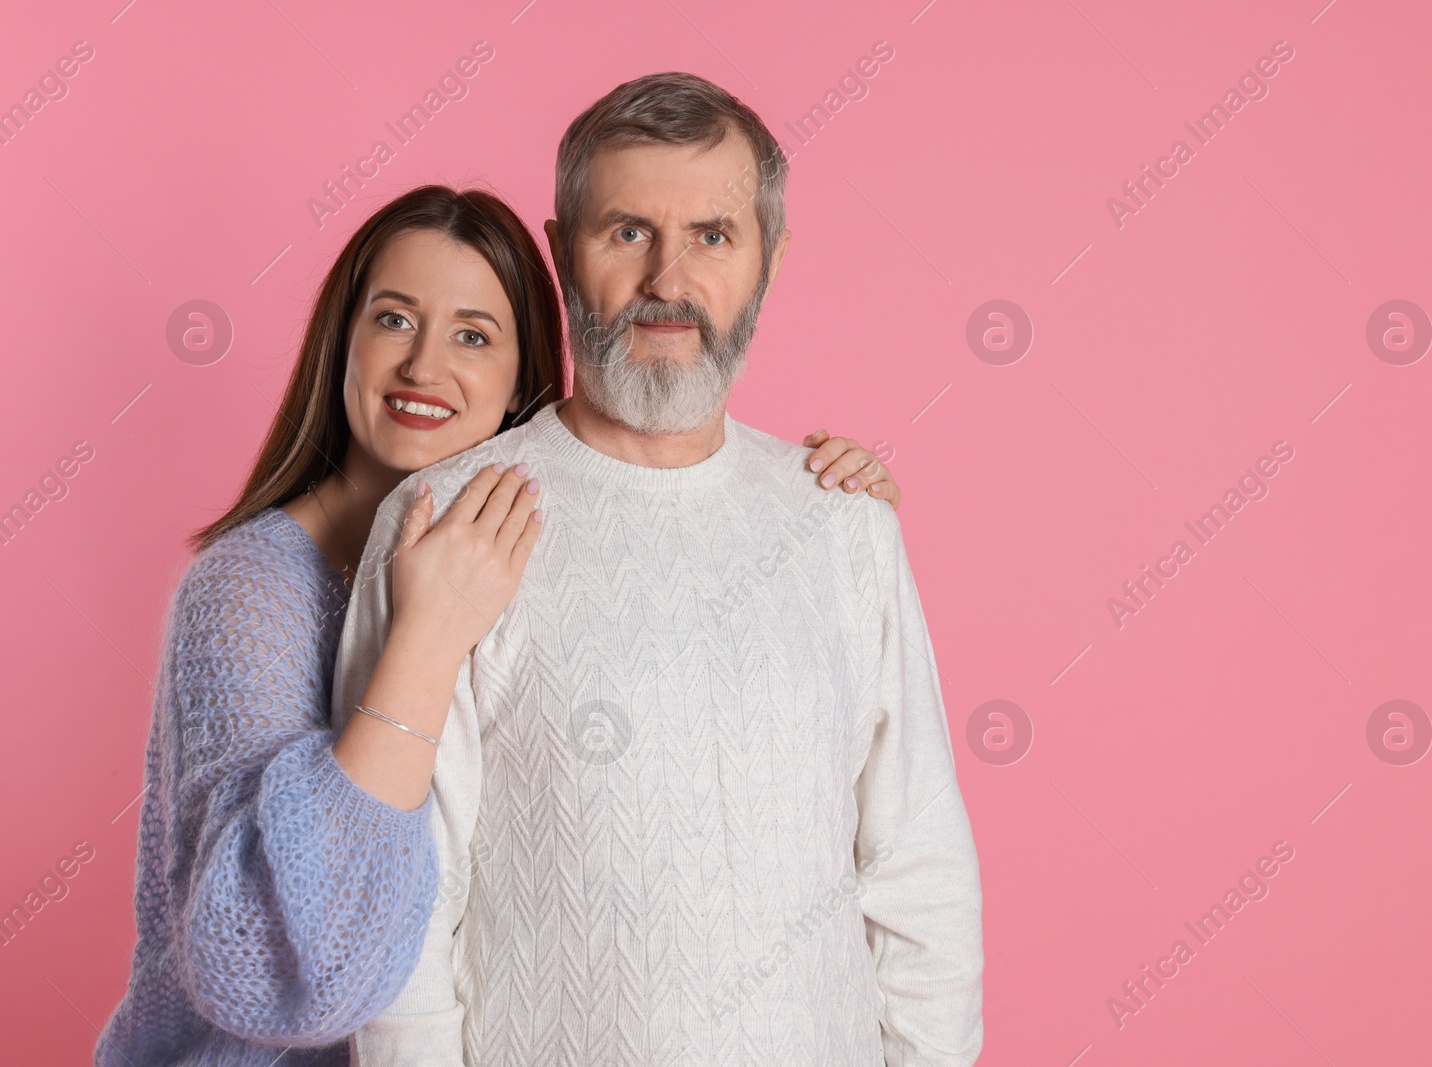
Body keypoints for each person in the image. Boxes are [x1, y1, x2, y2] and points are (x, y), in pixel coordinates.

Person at [94, 183, 902, 1067]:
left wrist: (821, 505)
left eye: (474, 335)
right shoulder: (250, 591)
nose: (423, 368)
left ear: (525, 377)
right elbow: (281, 972)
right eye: (394, 320)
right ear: (343, 342)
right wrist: (425, 638)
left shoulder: (529, 553)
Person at [334, 73, 982, 1067]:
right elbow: (403, 908)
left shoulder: (844, 526)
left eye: (714, 236)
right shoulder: (444, 523)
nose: (667, 280)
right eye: (627, 231)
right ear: (560, 252)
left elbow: (915, 869)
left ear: (769, 260)